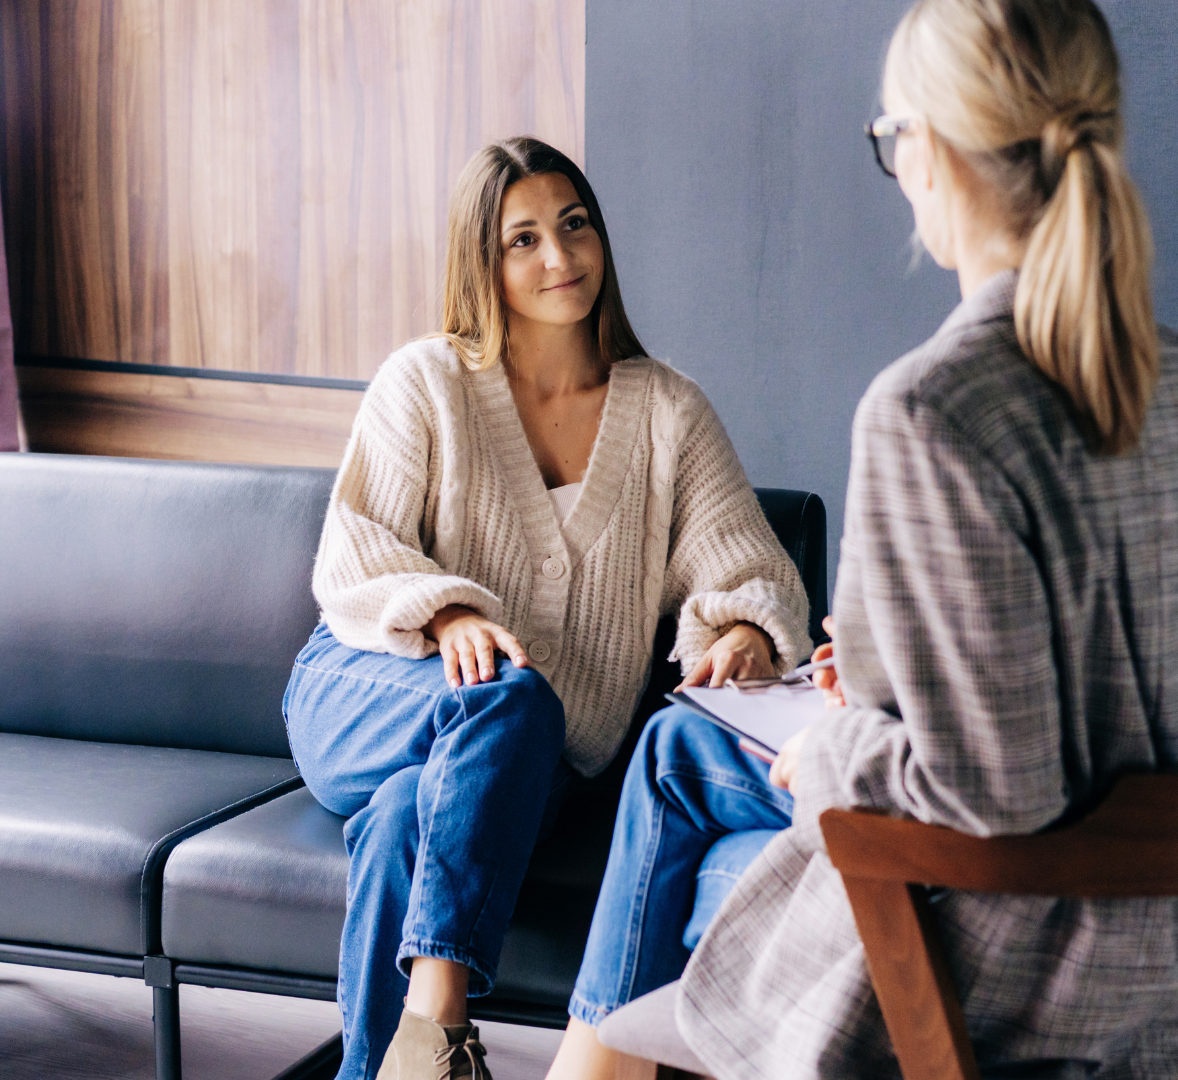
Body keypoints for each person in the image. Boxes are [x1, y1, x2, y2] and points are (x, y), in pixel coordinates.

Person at [548, 0, 1178, 1077]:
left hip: (1009, 968)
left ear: (929, 150)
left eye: (890, 139)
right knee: (683, 749)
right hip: (1177, 955)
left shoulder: (934, 408)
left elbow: (997, 792)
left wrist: (837, 747)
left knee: (698, 857)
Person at [285, 136, 812, 1080]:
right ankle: (441, 1026)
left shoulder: (668, 414)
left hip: (539, 756)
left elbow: (749, 565)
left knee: (415, 811)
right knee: (512, 697)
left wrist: (737, 627)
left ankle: (394, 1065)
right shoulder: (428, 380)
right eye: (521, 239)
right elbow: (353, 552)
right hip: (371, 690)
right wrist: (447, 615)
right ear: (481, 262)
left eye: (573, 227)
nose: (558, 258)